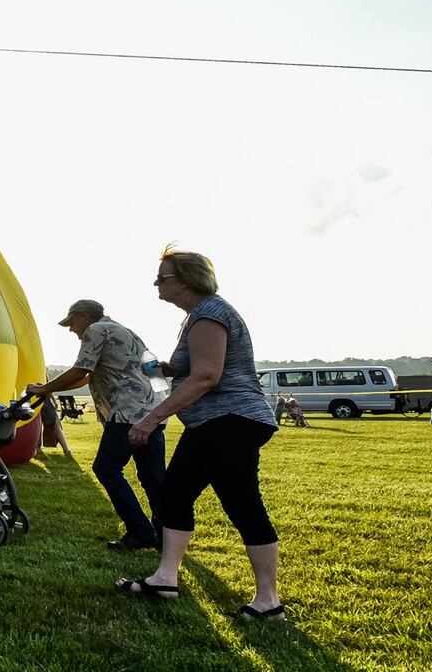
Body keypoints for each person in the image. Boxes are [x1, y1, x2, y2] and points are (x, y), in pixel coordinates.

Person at [115, 248, 285, 622]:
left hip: (231, 418)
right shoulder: (197, 316)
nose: (157, 283)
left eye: (164, 277)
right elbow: (194, 365)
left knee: (241, 502)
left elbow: (208, 375)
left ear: (188, 279)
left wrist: (151, 418)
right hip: (213, 422)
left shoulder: (210, 313)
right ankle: (165, 578)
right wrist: (166, 367)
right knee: (174, 493)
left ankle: (268, 602)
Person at [29, 299, 166, 550]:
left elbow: (80, 370)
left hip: (128, 411)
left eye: (72, 323)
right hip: (153, 409)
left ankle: (140, 532)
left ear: (85, 316)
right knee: (153, 475)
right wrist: (49, 391)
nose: (72, 330)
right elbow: (86, 378)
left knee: (106, 468)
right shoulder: (125, 331)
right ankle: (165, 533)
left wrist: (43, 388)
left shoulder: (95, 331)